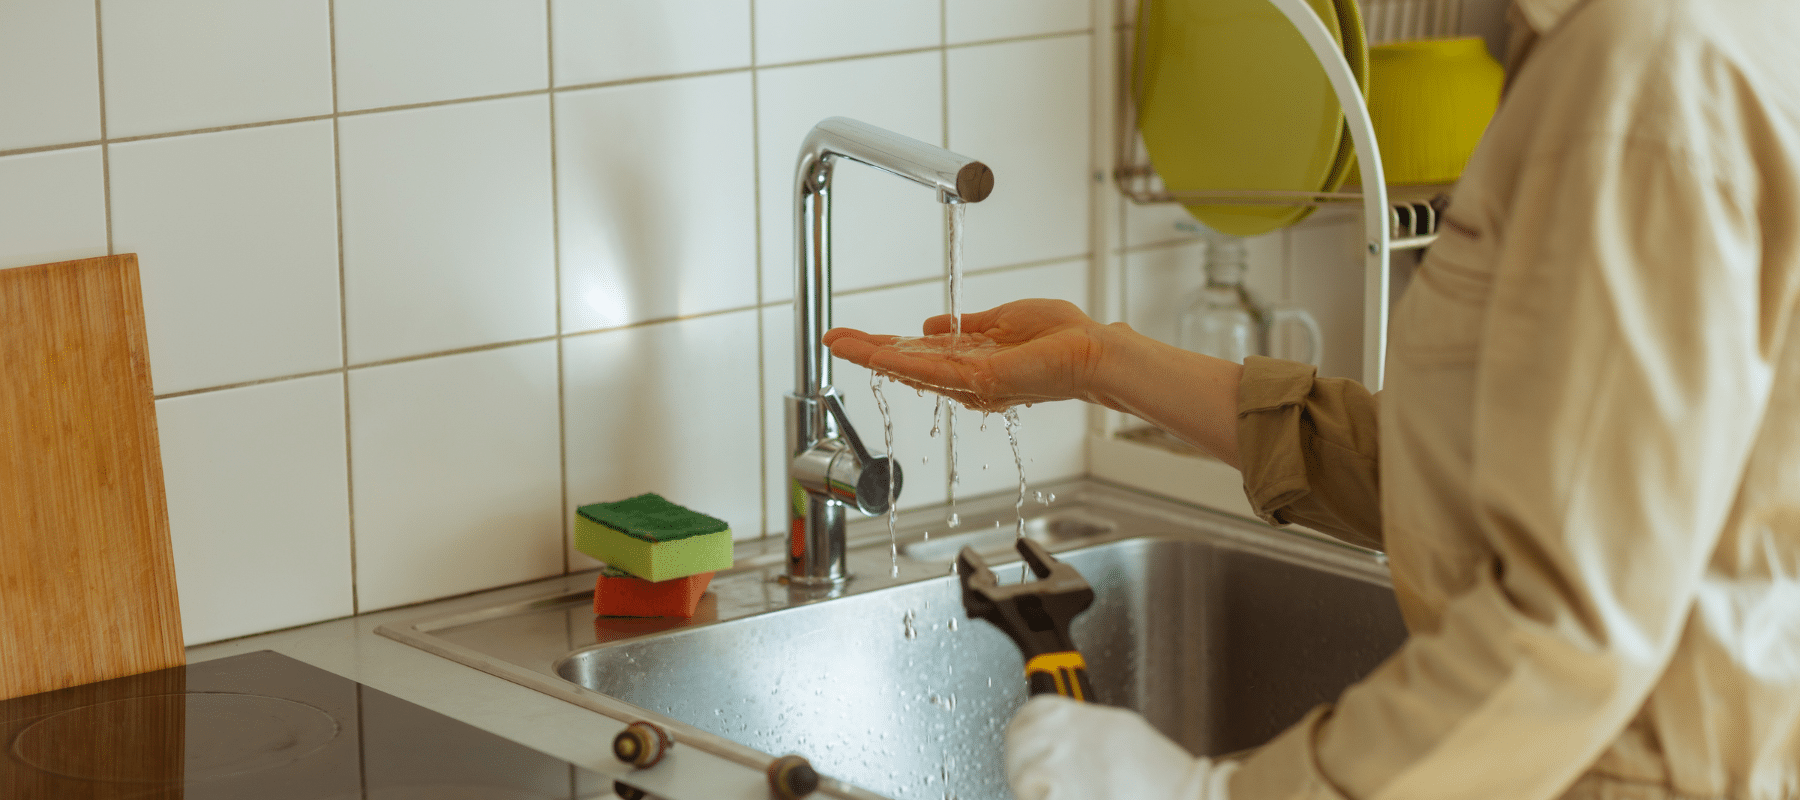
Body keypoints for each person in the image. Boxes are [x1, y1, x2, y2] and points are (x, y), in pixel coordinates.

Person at [824, 1, 1800, 798]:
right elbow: (1480, 473)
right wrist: (1103, 360)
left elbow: (1565, 622)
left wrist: (1219, 792)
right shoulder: (1630, 48)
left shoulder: (1641, 76)